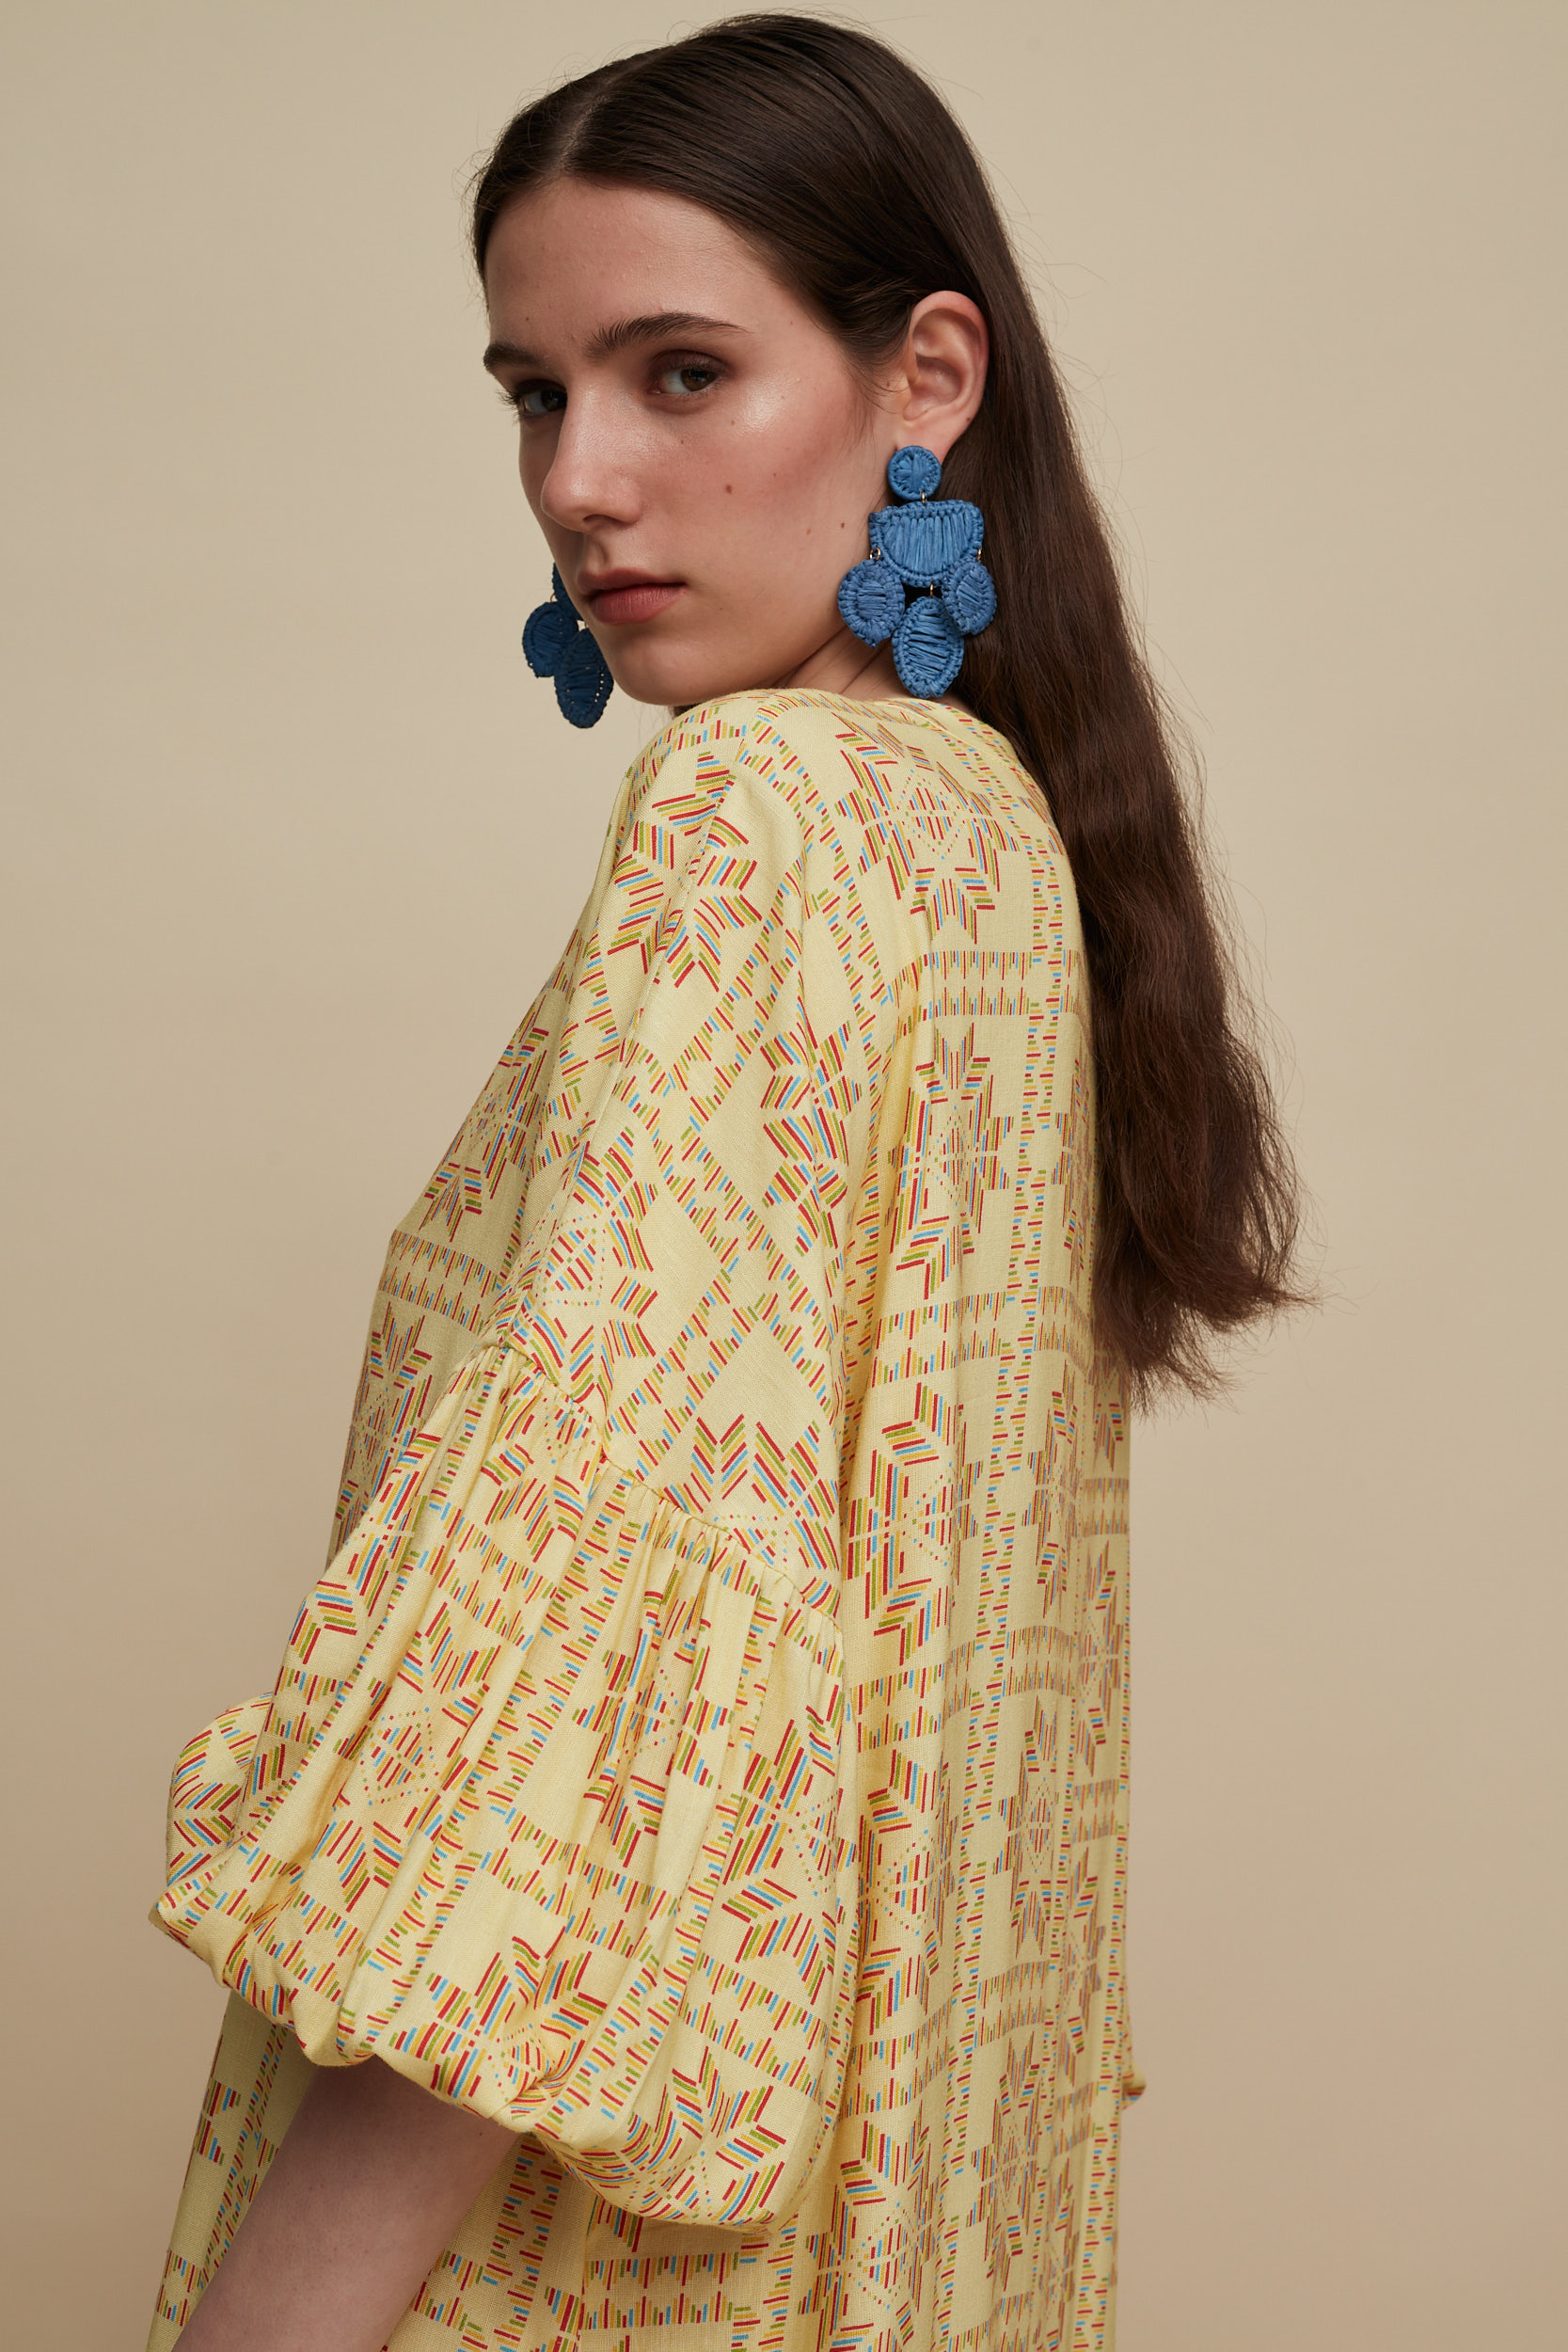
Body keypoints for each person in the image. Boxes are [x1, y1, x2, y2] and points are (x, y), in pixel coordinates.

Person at [145, 15, 1302, 2350]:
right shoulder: (995, 832)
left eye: (681, 373)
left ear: (925, 376)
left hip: (608, 2267)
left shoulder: (755, 820)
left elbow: (577, 1690)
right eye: (533, 394)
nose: (582, 480)